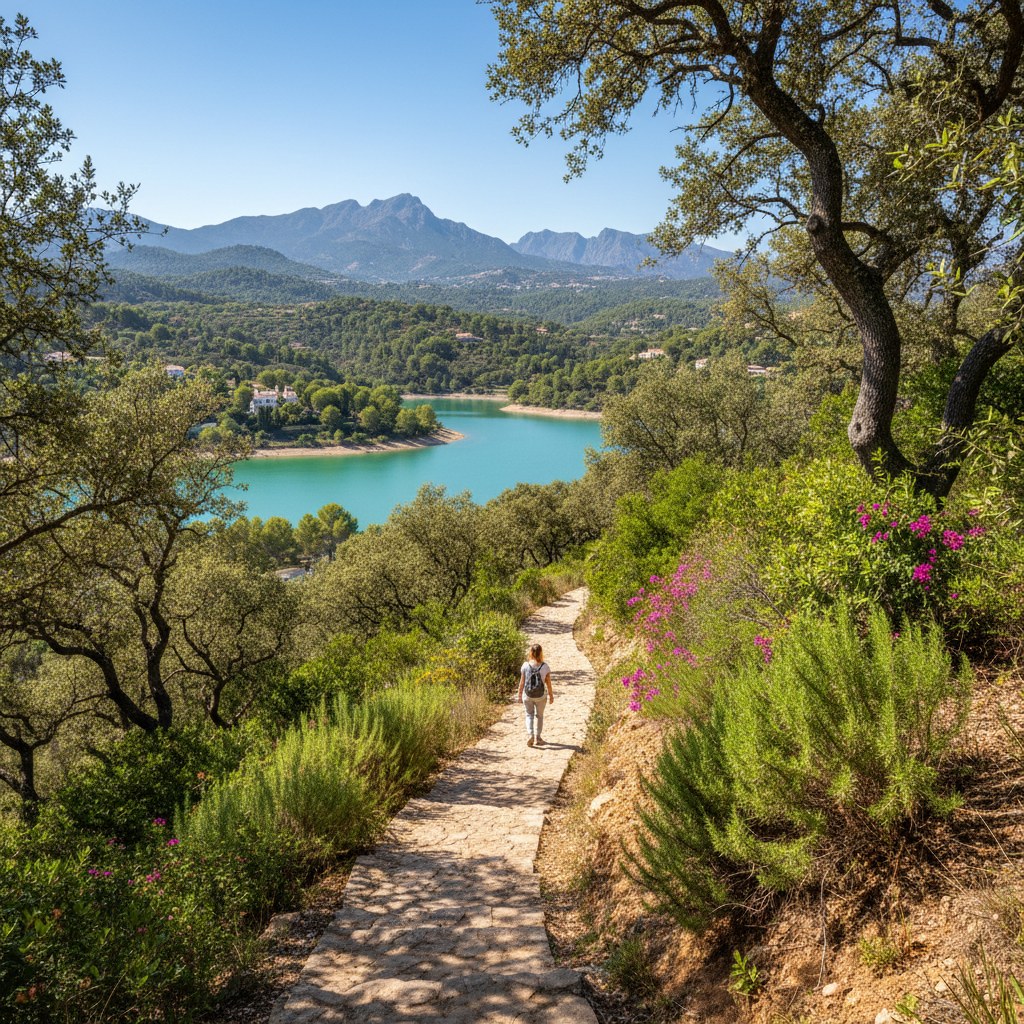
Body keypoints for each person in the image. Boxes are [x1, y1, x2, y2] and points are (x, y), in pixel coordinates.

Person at [517, 642, 554, 747]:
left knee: (529, 715)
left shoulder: (525, 665)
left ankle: (530, 735)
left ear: (531, 653)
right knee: (540, 716)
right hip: (541, 696)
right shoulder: (545, 667)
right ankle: (538, 737)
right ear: (541, 653)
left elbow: (522, 682)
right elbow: (548, 683)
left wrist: (519, 695)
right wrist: (551, 696)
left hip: (527, 695)